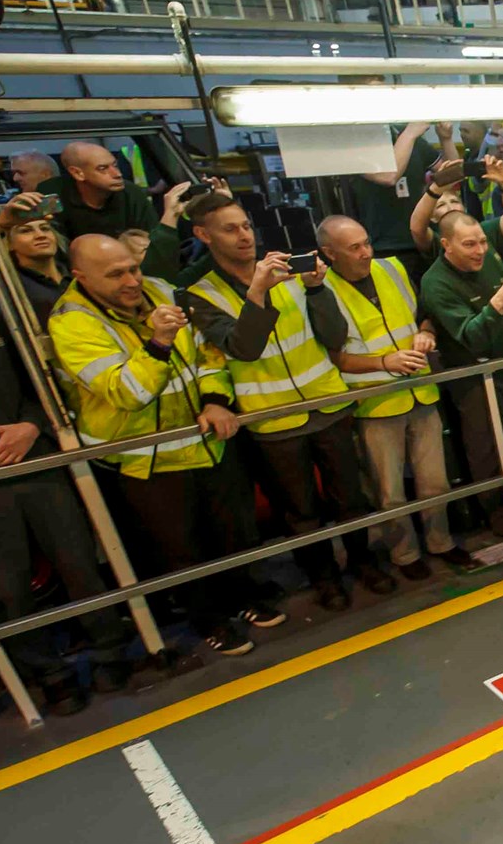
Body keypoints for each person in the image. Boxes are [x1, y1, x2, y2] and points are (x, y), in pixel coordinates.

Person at [49, 236, 282, 657]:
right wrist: (158, 342)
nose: (131, 281)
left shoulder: (161, 290)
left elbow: (208, 355)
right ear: (80, 276)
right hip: (145, 458)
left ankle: (241, 598)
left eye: (133, 268)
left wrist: (216, 400)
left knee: (233, 531)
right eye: (115, 275)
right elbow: (127, 391)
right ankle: (209, 621)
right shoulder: (72, 322)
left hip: (205, 440)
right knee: (180, 550)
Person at [182, 194, 393, 611]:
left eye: (246, 226)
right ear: (203, 235)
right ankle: (323, 578)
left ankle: (363, 561)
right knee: (299, 511)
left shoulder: (289, 271)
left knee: (350, 498)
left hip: (327, 402)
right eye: (230, 229)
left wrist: (316, 290)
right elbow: (243, 348)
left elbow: (334, 336)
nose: (244, 236)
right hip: (273, 418)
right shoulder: (201, 294)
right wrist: (258, 292)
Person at [0, 260, 143, 710]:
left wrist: (32, 425)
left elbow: (42, 382)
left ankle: (110, 651)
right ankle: (50, 676)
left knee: (79, 564)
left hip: (36, 462)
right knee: (5, 587)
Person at [313, 216, 469, 582]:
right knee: (389, 491)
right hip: (376, 404)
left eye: (367, 242)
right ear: (329, 253)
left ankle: (441, 542)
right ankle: (405, 553)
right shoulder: (320, 290)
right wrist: (384, 362)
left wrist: (426, 334)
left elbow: (423, 315)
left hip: (420, 392)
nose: (366, 253)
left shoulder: (392, 268)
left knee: (435, 482)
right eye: (354, 248)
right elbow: (333, 356)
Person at [418, 210, 503, 541]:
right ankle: (497, 514)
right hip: (470, 376)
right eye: (469, 245)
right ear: (446, 245)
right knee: (484, 448)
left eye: (483, 242)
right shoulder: (435, 283)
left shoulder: (488, 262)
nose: (480, 251)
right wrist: (497, 303)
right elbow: (470, 335)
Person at [24, 142, 183, 279]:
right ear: (77, 173)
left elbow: (154, 248)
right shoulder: (52, 194)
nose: (117, 174)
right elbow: (48, 251)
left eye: (115, 165)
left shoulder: (131, 194)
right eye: (103, 168)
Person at [352, 121, 444, 283]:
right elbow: (388, 176)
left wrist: (446, 139)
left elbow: (451, 174)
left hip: (424, 240)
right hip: (385, 246)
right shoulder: (356, 146)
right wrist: (410, 132)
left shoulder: (410, 138)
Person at [0, 206, 73, 325]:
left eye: (45, 228)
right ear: (9, 243)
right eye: (26, 231)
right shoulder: (10, 283)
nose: (40, 235)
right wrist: (0, 223)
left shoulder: (77, 273)